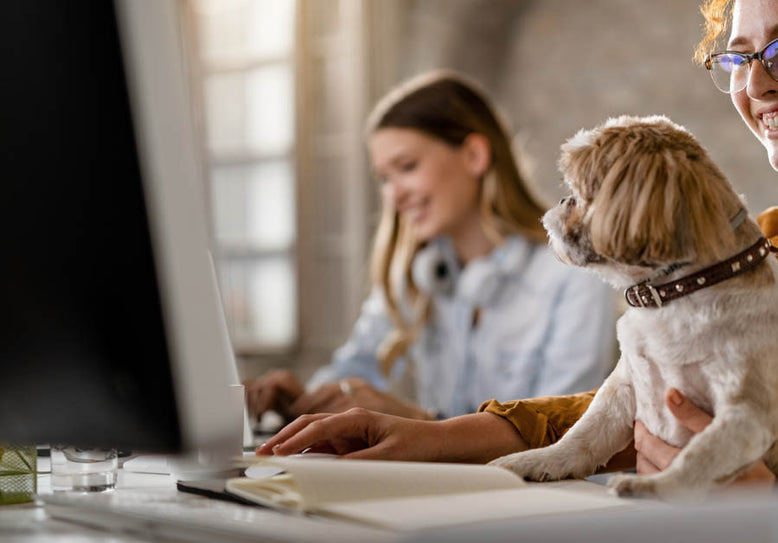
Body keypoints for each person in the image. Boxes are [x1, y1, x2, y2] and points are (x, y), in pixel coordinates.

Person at [258, 1, 778, 539]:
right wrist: (425, 438)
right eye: (737, 55)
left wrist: (777, 503)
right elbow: (623, 399)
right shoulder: (766, 247)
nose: (754, 84)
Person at [245, 70, 617, 423]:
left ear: (474, 155)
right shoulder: (418, 273)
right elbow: (353, 372)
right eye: (384, 178)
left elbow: (561, 435)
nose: (394, 194)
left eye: (406, 166)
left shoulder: (575, 277)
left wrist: (419, 425)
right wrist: (303, 399)